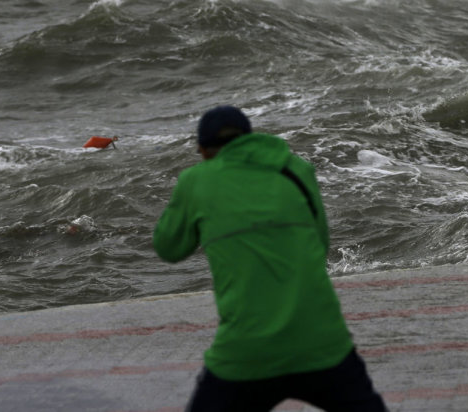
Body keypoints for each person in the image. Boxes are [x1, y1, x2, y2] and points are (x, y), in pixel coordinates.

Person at [154, 105, 386, 412]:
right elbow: (320, 244)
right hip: (322, 345)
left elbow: (169, 247)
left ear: (206, 150)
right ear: (249, 139)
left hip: (247, 353)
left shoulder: (197, 180)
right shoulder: (297, 171)